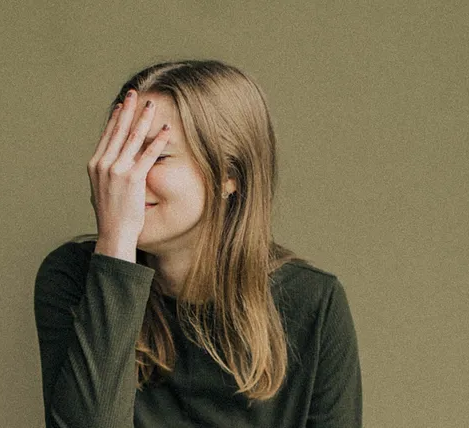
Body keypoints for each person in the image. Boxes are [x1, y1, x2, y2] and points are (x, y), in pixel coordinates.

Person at [34, 60, 362, 428]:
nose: (124, 176)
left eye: (155, 155)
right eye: (119, 151)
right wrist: (116, 243)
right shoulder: (74, 278)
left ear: (229, 175)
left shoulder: (313, 302)